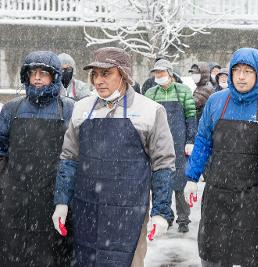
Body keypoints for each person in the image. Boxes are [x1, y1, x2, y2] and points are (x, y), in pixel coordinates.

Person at [51, 47, 175, 267]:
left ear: (124, 74)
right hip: (87, 209)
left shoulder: (150, 111)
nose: (98, 81)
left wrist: (161, 211)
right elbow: (69, 158)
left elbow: (163, 164)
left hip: (129, 212)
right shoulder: (81, 109)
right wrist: (62, 201)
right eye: (95, 74)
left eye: (106, 73)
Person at [184, 48, 258, 266]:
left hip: (255, 195)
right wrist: (191, 176)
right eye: (237, 71)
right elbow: (203, 141)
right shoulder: (216, 101)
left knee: (253, 256)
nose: (242, 76)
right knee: (214, 255)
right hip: (218, 192)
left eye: (248, 71)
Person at [0, 51, 75, 266]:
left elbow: (74, 153)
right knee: (13, 249)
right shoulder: (12, 108)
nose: (38, 77)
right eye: (33, 73)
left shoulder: (68, 108)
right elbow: (1, 149)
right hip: (15, 196)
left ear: (55, 77)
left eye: (44, 73)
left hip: (54, 194)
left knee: (52, 252)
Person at [145, 59, 197, 233]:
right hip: (159, 142)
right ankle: (165, 216)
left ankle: (184, 219)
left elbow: (190, 116)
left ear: (170, 73)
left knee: (180, 183)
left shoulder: (183, 91)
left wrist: (190, 140)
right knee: (163, 180)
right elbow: (147, 120)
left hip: (180, 141)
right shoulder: (151, 93)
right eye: (156, 73)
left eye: (162, 73)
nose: (159, 76)